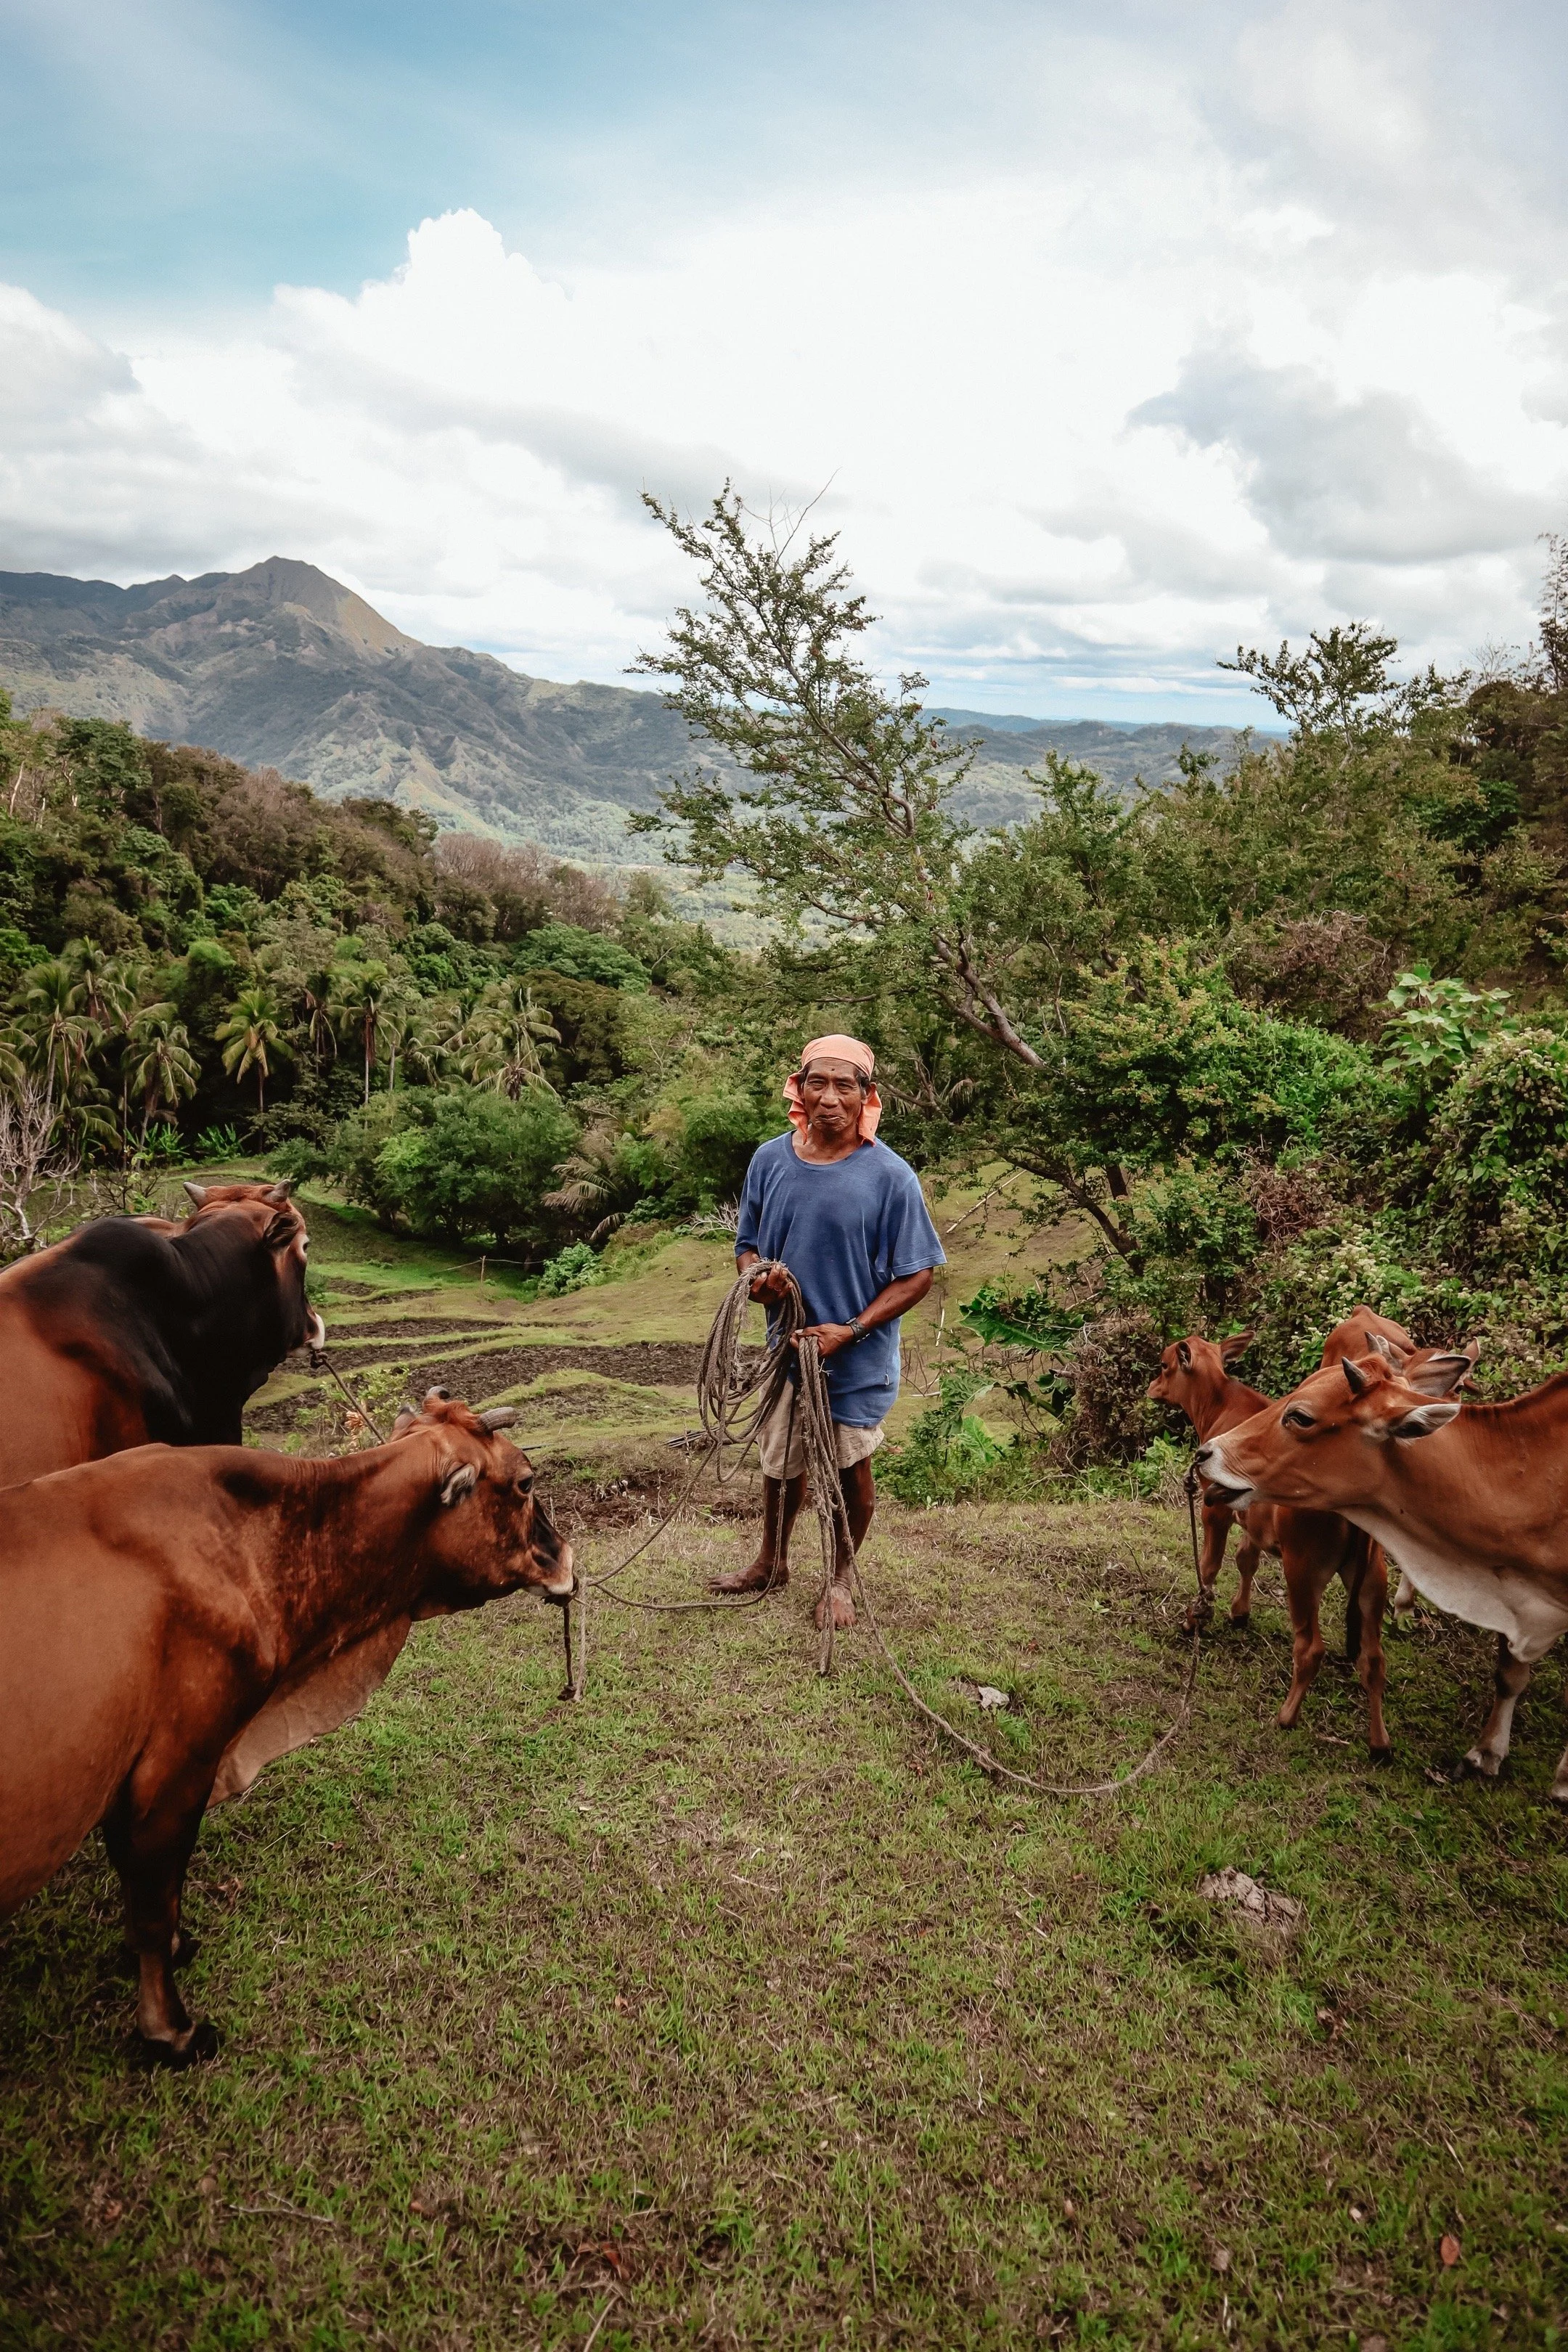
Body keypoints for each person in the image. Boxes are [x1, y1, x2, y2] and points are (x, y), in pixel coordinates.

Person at [710, 1034, 945, 1629]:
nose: (831, 1098)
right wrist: (758, 1279)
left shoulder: (891, 1176)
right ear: (799, 1087)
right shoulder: (769, 1159)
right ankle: (771, 1562)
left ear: (867, 1095)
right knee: (780, 1461)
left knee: (848, 1469)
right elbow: (747, 1246)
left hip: (854, 1357)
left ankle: (840, 1580)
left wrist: (851, 1329)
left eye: (846, 1085)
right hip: (784, 1351)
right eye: (819, 1082)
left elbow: (917, 1276)